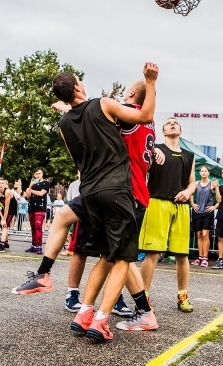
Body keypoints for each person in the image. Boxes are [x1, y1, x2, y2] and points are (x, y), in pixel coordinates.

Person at [13, 80, 154, 328]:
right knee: (114, 254)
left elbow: (96, 117)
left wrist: (67, 110)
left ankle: (109, 311)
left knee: (118, 257)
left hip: (122, 189)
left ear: (131, 93)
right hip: (110, 188)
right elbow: (93, 116)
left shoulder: (121, 112)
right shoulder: (125, 116)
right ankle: (53, 281)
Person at [52, 64, 158, 343]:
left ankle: (86, 312)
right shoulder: (133, 118)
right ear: (76, 88)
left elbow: (85, 119)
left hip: (97, 191)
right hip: (124, 191)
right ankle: (101, 318)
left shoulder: (76, 120)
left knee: (109, 257)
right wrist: (152, 82)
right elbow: (145, 115)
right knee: (121, 258)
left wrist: (67, 111)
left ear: (133, 93)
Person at [140, 117, 197, 313]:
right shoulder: (155, 149)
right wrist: (152, 150)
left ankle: (182, 296)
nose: (173, 124)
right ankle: (143, 298)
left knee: (183, 255)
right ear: (163, 131)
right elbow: (141, 168)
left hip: (180, 207)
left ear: (180, 131)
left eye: (176, 123)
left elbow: (192, 182)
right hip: (157, 202)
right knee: (153, 253)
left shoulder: (189, 156)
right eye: (168, 123)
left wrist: (189, 192)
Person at [190, 166, 217, 267]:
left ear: (208, 173)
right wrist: (193, 204)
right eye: (202, 171)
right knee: (199, 234)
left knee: (205, 234)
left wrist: (214, 206)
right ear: (200, 173)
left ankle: (205, 257)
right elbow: (191, 193)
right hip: (197, 212)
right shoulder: (196, 183)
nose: (204, 173)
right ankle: (200, 257)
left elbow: (219, 198)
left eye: (205, 171)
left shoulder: (212, 184)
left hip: (207, 213)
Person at [24, 168, 50, 254]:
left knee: (38, 226)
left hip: (40, 207)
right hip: (31, 207)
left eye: (39, 173)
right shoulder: (32, 185)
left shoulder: (46, 183)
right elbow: (27, 196)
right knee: (33, 227)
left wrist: (31, 190)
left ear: (42, 174)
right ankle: (34, 245)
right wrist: (30, 186)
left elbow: (41, 193)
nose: (38, 175)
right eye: (36, 174)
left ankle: (39, 246)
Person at [0, 179, 17, 252]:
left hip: (11, 208)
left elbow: (7, 206)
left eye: (2, 183)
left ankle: (2, 244)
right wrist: (2, 217)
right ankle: (6, 242)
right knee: (1, 225)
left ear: (5, 184)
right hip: (4, 208)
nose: (1, 185)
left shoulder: (7, 192)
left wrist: (4, 219)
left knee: (5, 224)